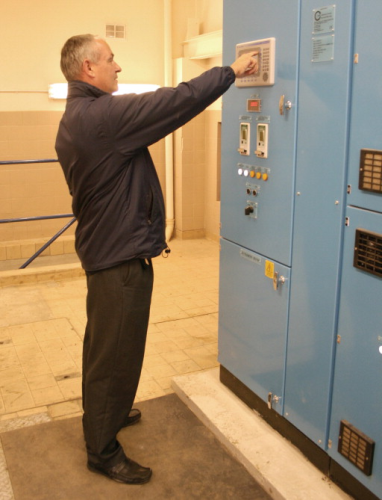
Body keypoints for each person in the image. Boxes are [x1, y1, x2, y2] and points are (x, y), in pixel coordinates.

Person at [55, 33, 258, 485]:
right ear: (88, 68)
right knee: (118, 352)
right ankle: (102, 450)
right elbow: (175, 101)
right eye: (111, 60)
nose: (118, 67)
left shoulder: (75, 117)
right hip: (119, 258)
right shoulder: (103, 116)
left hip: (104, 249)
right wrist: (231, 71)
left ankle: (105, 415)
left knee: (103, 345)